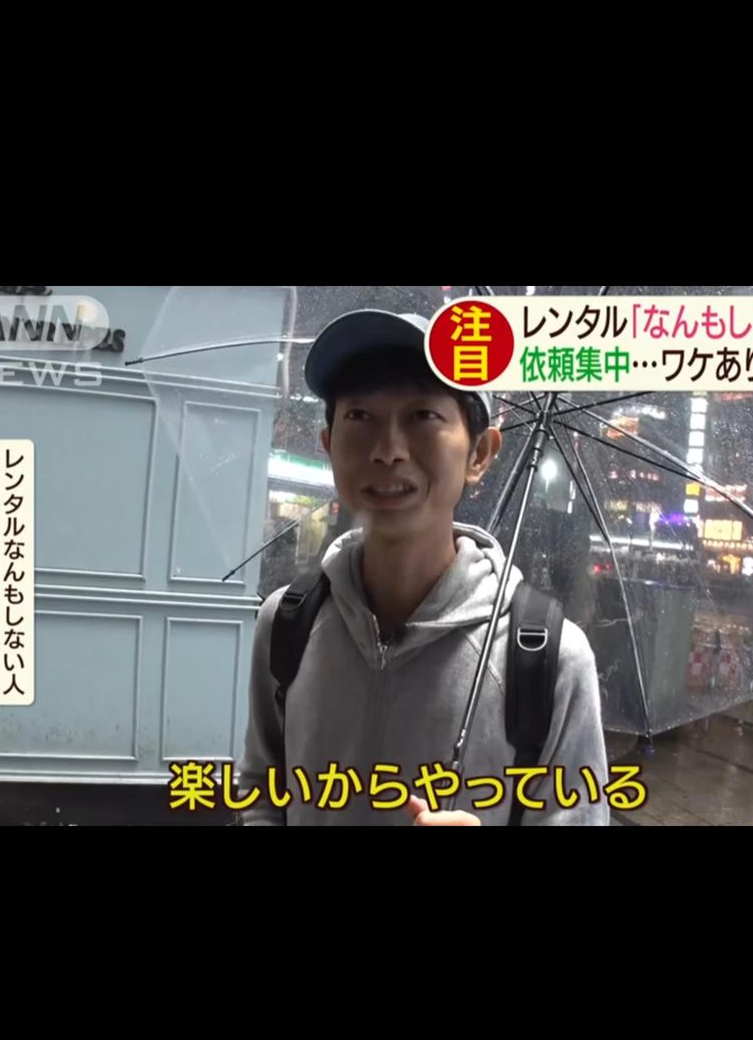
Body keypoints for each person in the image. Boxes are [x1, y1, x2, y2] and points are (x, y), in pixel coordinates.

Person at [233, 309, 609, 826]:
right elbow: (261, 792)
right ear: (328, 445)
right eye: (359, 417)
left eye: (423, 416)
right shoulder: (286, 624)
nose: (387, 451)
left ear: (480, 453)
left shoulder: (551, 660)